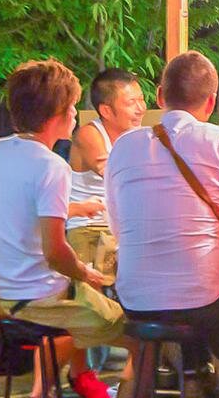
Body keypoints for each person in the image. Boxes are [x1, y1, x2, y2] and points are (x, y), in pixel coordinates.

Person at [106, 52, 219, 398]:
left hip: (135, 299)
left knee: (197, 296)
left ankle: (194, 372)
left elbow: (117, 228)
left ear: (160, 96)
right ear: (211, 102)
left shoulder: (122, 146)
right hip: (203, 299)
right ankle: (206, 377)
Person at [0, 60, 130, 398]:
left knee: (81, 295)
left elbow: (19, 211)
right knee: (133, 330)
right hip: (34, 296)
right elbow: (56, 253)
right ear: (57, 113)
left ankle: (74, 378)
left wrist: (76, 209)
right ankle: (112, 386)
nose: (75, 113)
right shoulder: (52, 166)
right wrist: (85, 273)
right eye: (72, 106)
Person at [67, 68, 146, 283]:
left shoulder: (137, 136)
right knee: (95, 292)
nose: (141, 109)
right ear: (106, 111)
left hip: (122, 227)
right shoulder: (89, 134)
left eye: (141, 100)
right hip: (89, 227)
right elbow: (114, 176)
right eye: (131, 103)